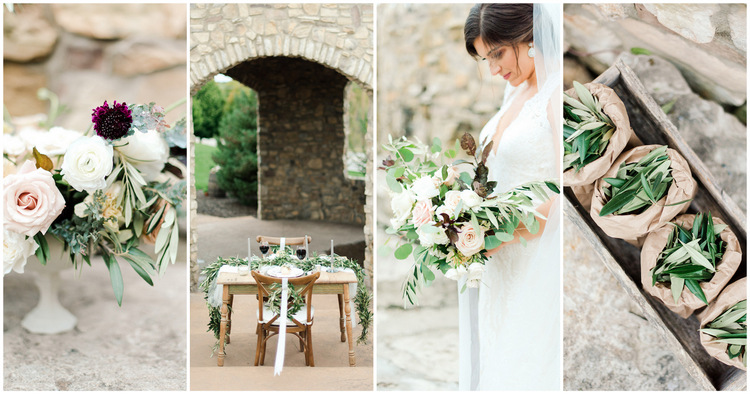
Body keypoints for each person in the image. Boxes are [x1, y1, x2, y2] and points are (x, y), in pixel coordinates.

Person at [458, 3, 561, 390]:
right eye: (486, 59)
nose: (494, 69)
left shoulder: (556, 98)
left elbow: (568, 195)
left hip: (536, 261)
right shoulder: (515, 92)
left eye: (498, 53)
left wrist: (501, 233)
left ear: (529, 36)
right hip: (500, 266)